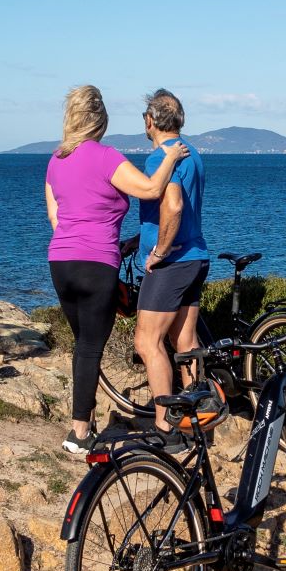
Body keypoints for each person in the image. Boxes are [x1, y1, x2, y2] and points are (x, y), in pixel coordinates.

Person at [45, 84, 186, 454]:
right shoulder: (106, 157)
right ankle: (78, 434)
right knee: (91, 347)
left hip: (60, 262)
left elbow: (55, 216)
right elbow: (152, 189)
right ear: (101, 122)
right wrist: (170, 156)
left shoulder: (55, 160)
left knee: (82, 345)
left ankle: (84, 422)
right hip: (96, 263)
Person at [133, 88, 208, 435]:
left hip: (172, 263)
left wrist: (159, 251)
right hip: (195, 258)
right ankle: (198, 420)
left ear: (150, 121)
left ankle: (165, 425)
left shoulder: (159, 158)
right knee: (185, 341)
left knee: (147, 342)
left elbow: (174, 206)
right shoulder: (192, 154)